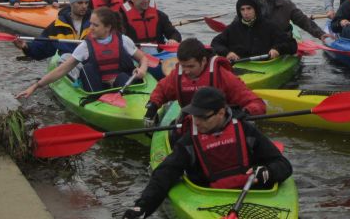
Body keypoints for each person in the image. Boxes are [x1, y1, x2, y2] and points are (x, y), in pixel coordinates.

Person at [123, 87, 292, 219]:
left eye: (203, 117)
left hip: (251, 195)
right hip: (208, 199)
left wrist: (268, 172)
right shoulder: (189, 142)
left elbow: (283, 165)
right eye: (194, 116)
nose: (196, 122)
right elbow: (165, 174)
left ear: (221, 113)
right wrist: (142, 206)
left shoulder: (246, 132)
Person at [17, 7, 149, 96]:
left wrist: (142, 69)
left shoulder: (123, 40)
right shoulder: (85, 46)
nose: (90, 28)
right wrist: (36, 86)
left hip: (119, 86)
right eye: (90, 23)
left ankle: (126, 99)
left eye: (95, 25)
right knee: (88, 69)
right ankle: (97, 102)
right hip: (97, 89)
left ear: (108, 27)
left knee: (123, 77)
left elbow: (143, 58)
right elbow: (62, 70)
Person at [143, 38, 266, 127]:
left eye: (191, 66)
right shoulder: (178, 74)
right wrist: (152, 107)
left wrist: (245, 113)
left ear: (203, 61)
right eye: (183, 66)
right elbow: (161, 91)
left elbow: (256, 103)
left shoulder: (222, 75)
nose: (186, 71)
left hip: (220, 123)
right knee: (174, 134)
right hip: (192, 122)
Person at [211, 0, 298, 62]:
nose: (245, 13)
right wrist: (227, 53)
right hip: (240, 65)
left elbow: (292, 44)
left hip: (265, 65)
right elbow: (215, 43)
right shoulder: (233, 28)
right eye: (242, 9)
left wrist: (277, 50)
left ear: (255, 9)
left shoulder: (269, 26)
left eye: (249, 8)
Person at [13, 0, 91, 59]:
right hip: (68, 64)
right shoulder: (57, 26)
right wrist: (25, 46)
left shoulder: (94, 23)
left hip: (90, 65)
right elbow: (40, 50)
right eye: (80, 3)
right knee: (65, 57)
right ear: (71, 4)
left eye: (86, 3)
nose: (84, 6)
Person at [257, 0, 329, 42]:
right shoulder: (252, 7)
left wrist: (321, 34)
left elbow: (303, 21)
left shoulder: (286, 5)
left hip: (283, 45)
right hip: (262, 46)